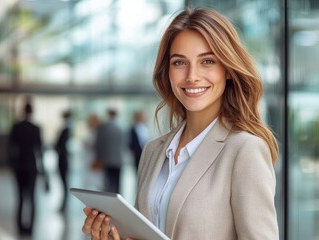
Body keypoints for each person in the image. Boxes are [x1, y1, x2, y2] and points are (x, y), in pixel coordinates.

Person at [81, 7, 279, 240]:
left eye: (207, 61)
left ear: (227, 69)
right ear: (168, 72)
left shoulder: (245, 150)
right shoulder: (153, 151)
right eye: (179, 63)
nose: (192, 76)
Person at [8, 102, 46, 237]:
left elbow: (11, 148)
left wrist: (12, 165)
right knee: (32, 199)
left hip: (19, 166)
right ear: (32, 111)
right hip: (31, 167)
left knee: (20, 198)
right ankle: (30, 229)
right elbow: (39, 151)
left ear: (23, 111)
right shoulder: (36, 128)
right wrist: (43, 171)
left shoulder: (16, 127)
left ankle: (20, 228)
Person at [94, 109, 125, 194]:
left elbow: (99, 144)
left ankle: (109, 200)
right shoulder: (122, 127)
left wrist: (98, 158)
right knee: (118, 183)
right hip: (119, 159)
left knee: (108, 183)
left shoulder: (103, 127)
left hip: (107, 159)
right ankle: (118, 198)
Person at [55, 110, 71, 213]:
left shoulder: (67, 129)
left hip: (63, 159)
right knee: (63, 183)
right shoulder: (66, 129)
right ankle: (63, 204)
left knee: (64, 183)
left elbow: (59, 144)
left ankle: (64, 205)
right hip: (63, 158)